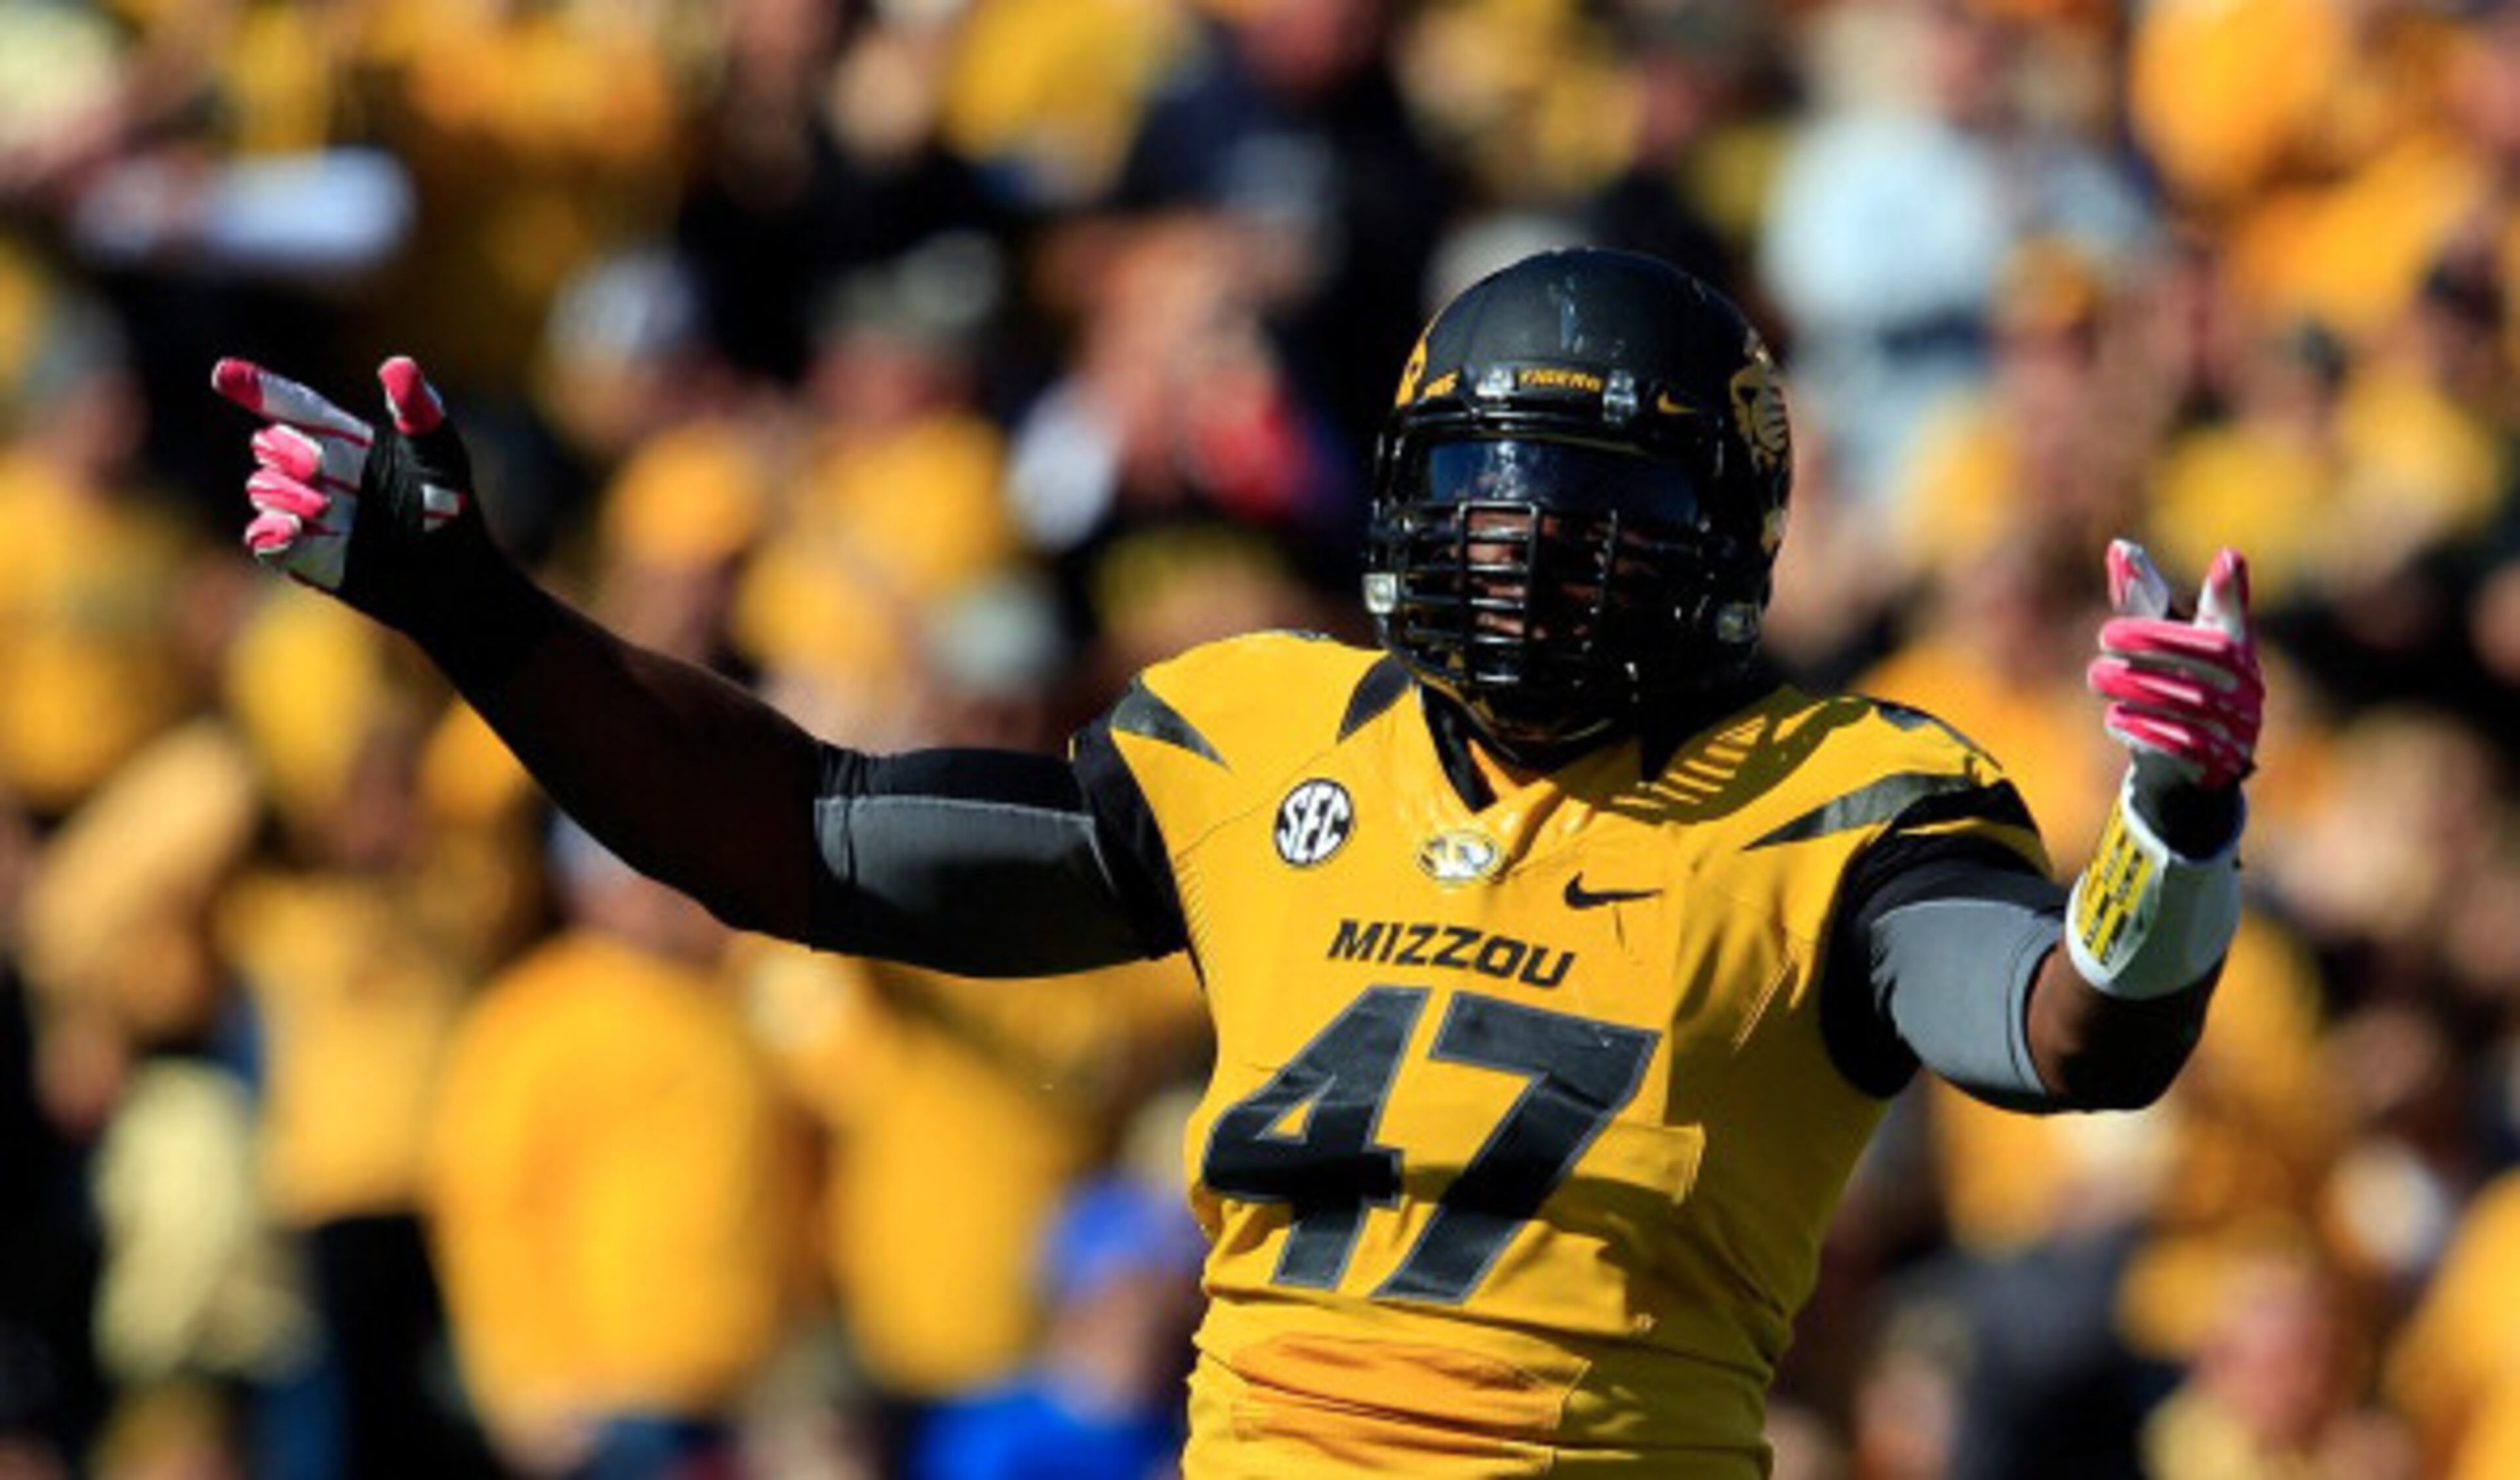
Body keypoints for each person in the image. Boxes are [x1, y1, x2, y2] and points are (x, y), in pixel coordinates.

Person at [208, 247, 2264, 1477]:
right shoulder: (1269, 732)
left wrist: (2171, 830)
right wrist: (472, 607)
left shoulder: (1845, 799)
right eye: (1484, 487)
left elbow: (2072, 1034)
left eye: (1592, 506)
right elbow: (808, 839)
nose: (1523, 544)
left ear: (1719, 541)